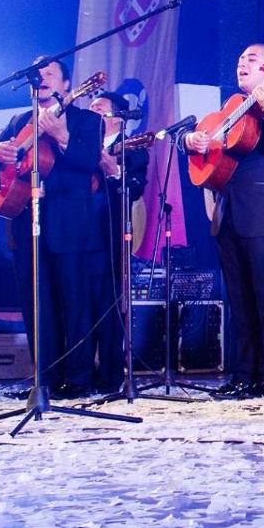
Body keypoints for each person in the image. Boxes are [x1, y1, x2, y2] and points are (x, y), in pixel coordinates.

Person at [186, 44, 264, 398]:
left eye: (252, 59)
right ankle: (244, 374)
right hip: (229, 215)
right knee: (239, 302)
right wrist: (191, 140)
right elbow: (211, 151)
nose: (242, 62)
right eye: (240, 59)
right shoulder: (229, 109)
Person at [0, 58, 105, 398]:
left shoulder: (87, 119)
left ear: (67, 85)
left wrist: (60, 134)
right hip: (27, 222)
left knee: (76, 303)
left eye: (50, 74)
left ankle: (78, 377)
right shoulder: (18, 121)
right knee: (37, 304)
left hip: (71, 224)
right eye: (37, 76)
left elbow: (88, 161)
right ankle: (45, 379)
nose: (42, 79)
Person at [89, 92, 149, 393]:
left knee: (108, 304)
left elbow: (136, 189)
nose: (92, 113)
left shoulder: (133, 149)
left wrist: (114, 171)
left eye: (99, 109)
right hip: (73, 236)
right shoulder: (76, 145)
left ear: (117, 118)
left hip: (109, 237)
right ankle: (77, 374)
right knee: (76, 306)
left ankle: (111, 375)